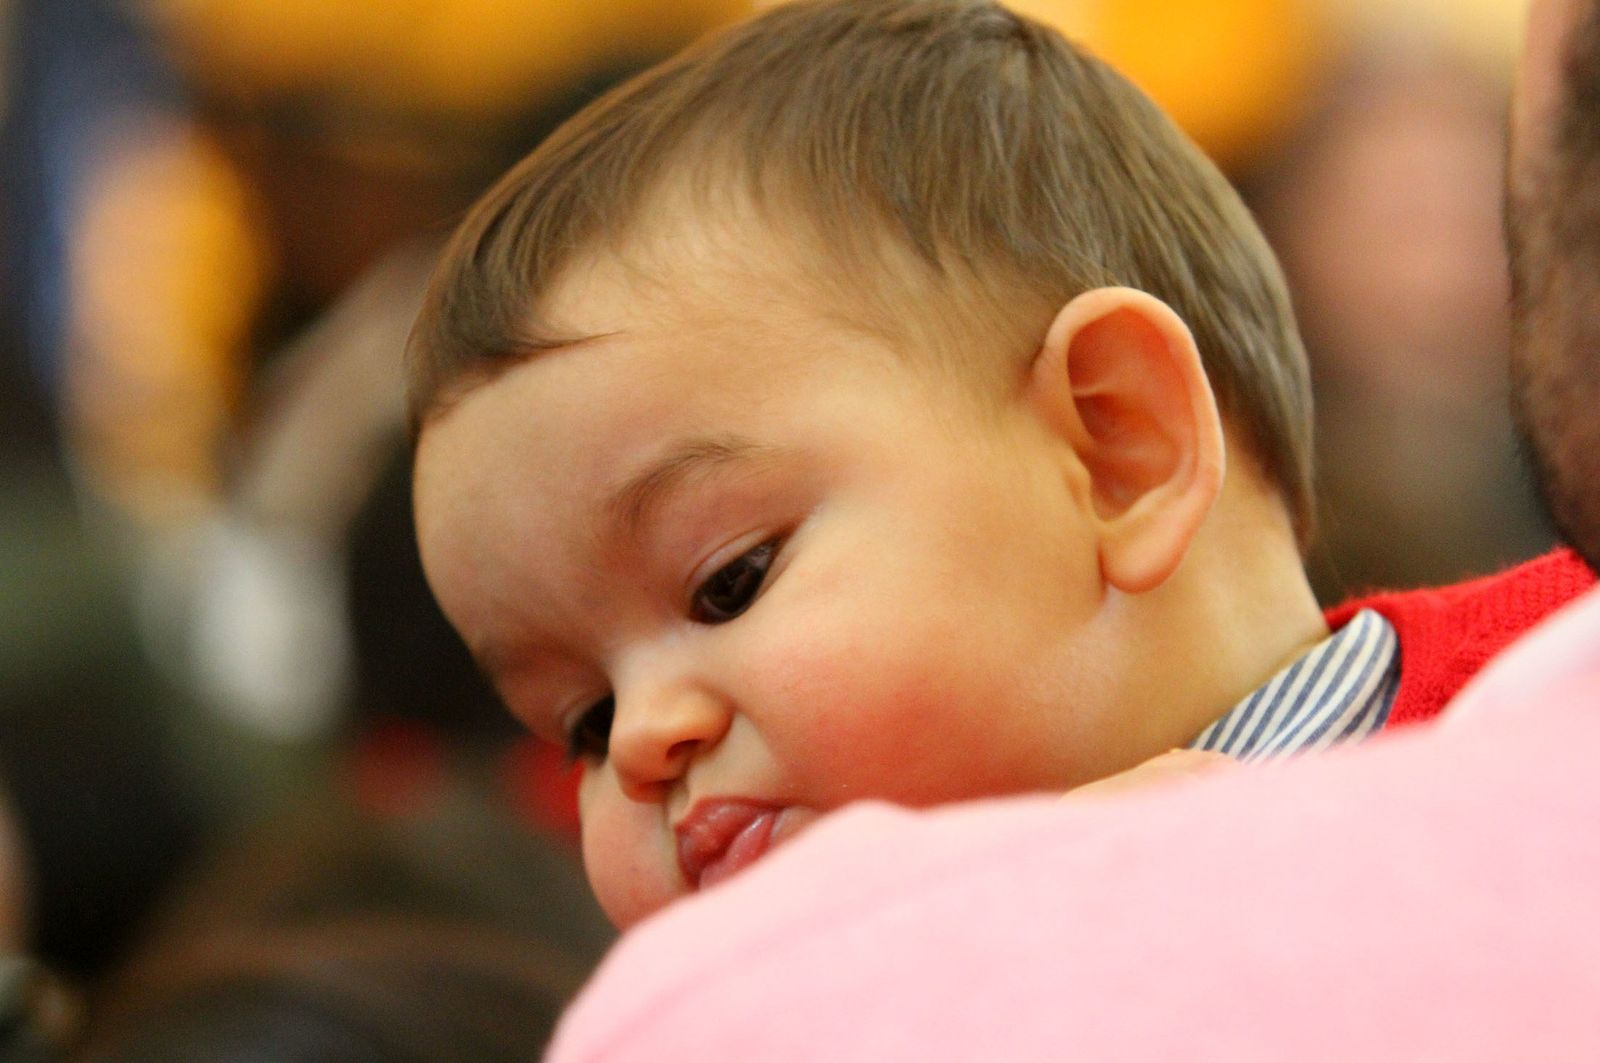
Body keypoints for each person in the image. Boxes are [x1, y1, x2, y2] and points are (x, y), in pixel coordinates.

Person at [538, 0, 1600, 1057]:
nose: (637, 740)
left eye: (731, 580)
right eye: (581, 717)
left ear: (1114, 448)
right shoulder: (800, 1013)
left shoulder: (1547, 673)